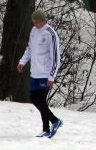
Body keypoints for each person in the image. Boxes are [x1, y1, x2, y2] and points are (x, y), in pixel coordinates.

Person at [17, 9, 63, 138]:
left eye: (37, 22)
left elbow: (55, 57)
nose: (36, 25)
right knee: (34, 99)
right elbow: (29, 48)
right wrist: (22, 62)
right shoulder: (33, 31)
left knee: (41, 100)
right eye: (34, 22)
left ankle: (47, 129)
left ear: (43, 21)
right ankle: (54, 121)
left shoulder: (50, 34)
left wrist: (52, 76)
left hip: (45, 73)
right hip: (34, 73)